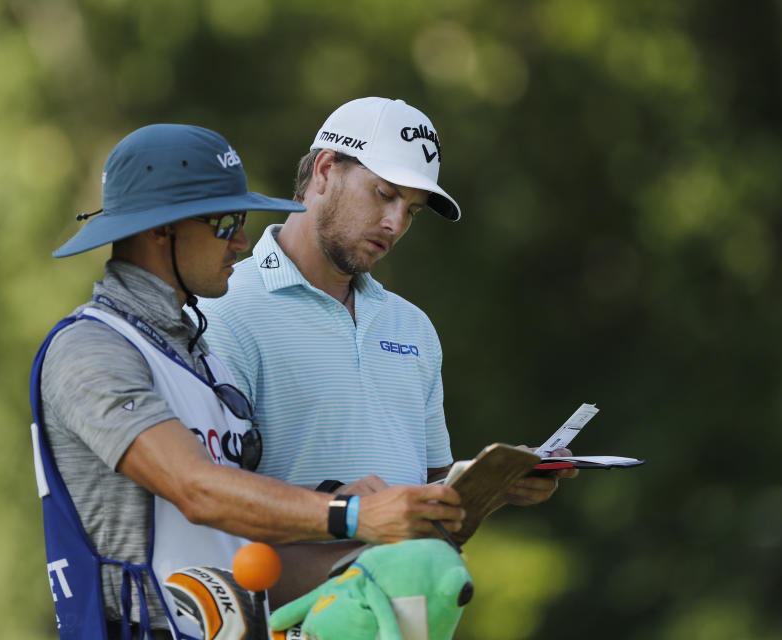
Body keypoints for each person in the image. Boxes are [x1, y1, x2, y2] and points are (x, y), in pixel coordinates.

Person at [28, 123, 465, 639]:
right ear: (158, 230)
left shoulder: (199, 354)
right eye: (224, 223)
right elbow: (198, 490)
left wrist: (365, 538)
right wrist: (352, 514)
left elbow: (235, 531)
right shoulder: (90, 347)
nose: (240, 241)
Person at [197, 98, 577, 595]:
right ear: (326, 170)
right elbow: (201, 502)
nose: (396, 224)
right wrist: (345, 514)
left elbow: (434, 501)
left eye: (411, 210)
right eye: (384, 194)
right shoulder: (223, 310)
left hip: (405, 612)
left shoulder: (412, 327)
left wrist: (493, 486)